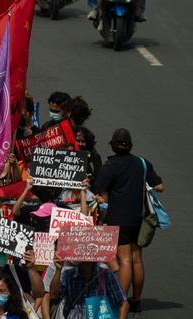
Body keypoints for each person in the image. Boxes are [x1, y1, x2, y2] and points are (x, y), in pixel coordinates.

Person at [92, 128, 162, 312]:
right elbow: (159, 186)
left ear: (113, 145)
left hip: (118, 218)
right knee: (137, 258)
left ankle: (121, 301)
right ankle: (136, 300)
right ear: (130, 145)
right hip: (139, 218)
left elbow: (101, 191)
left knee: (124, 260)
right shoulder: (142, 163)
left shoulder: (111, 165)